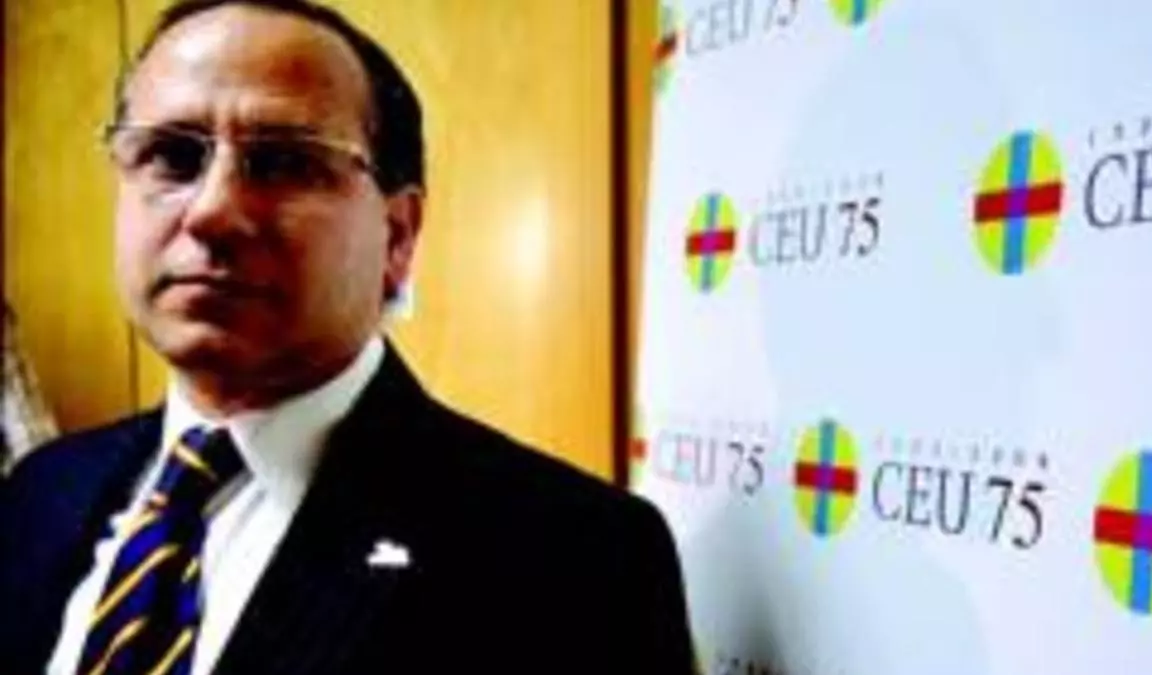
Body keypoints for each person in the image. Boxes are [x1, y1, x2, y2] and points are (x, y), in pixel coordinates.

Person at [0, 1, 695, 672]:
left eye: (283, 162)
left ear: (397, 235)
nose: (211, 211)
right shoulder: (42, 489)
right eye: (171, 156)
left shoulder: (575, 559)